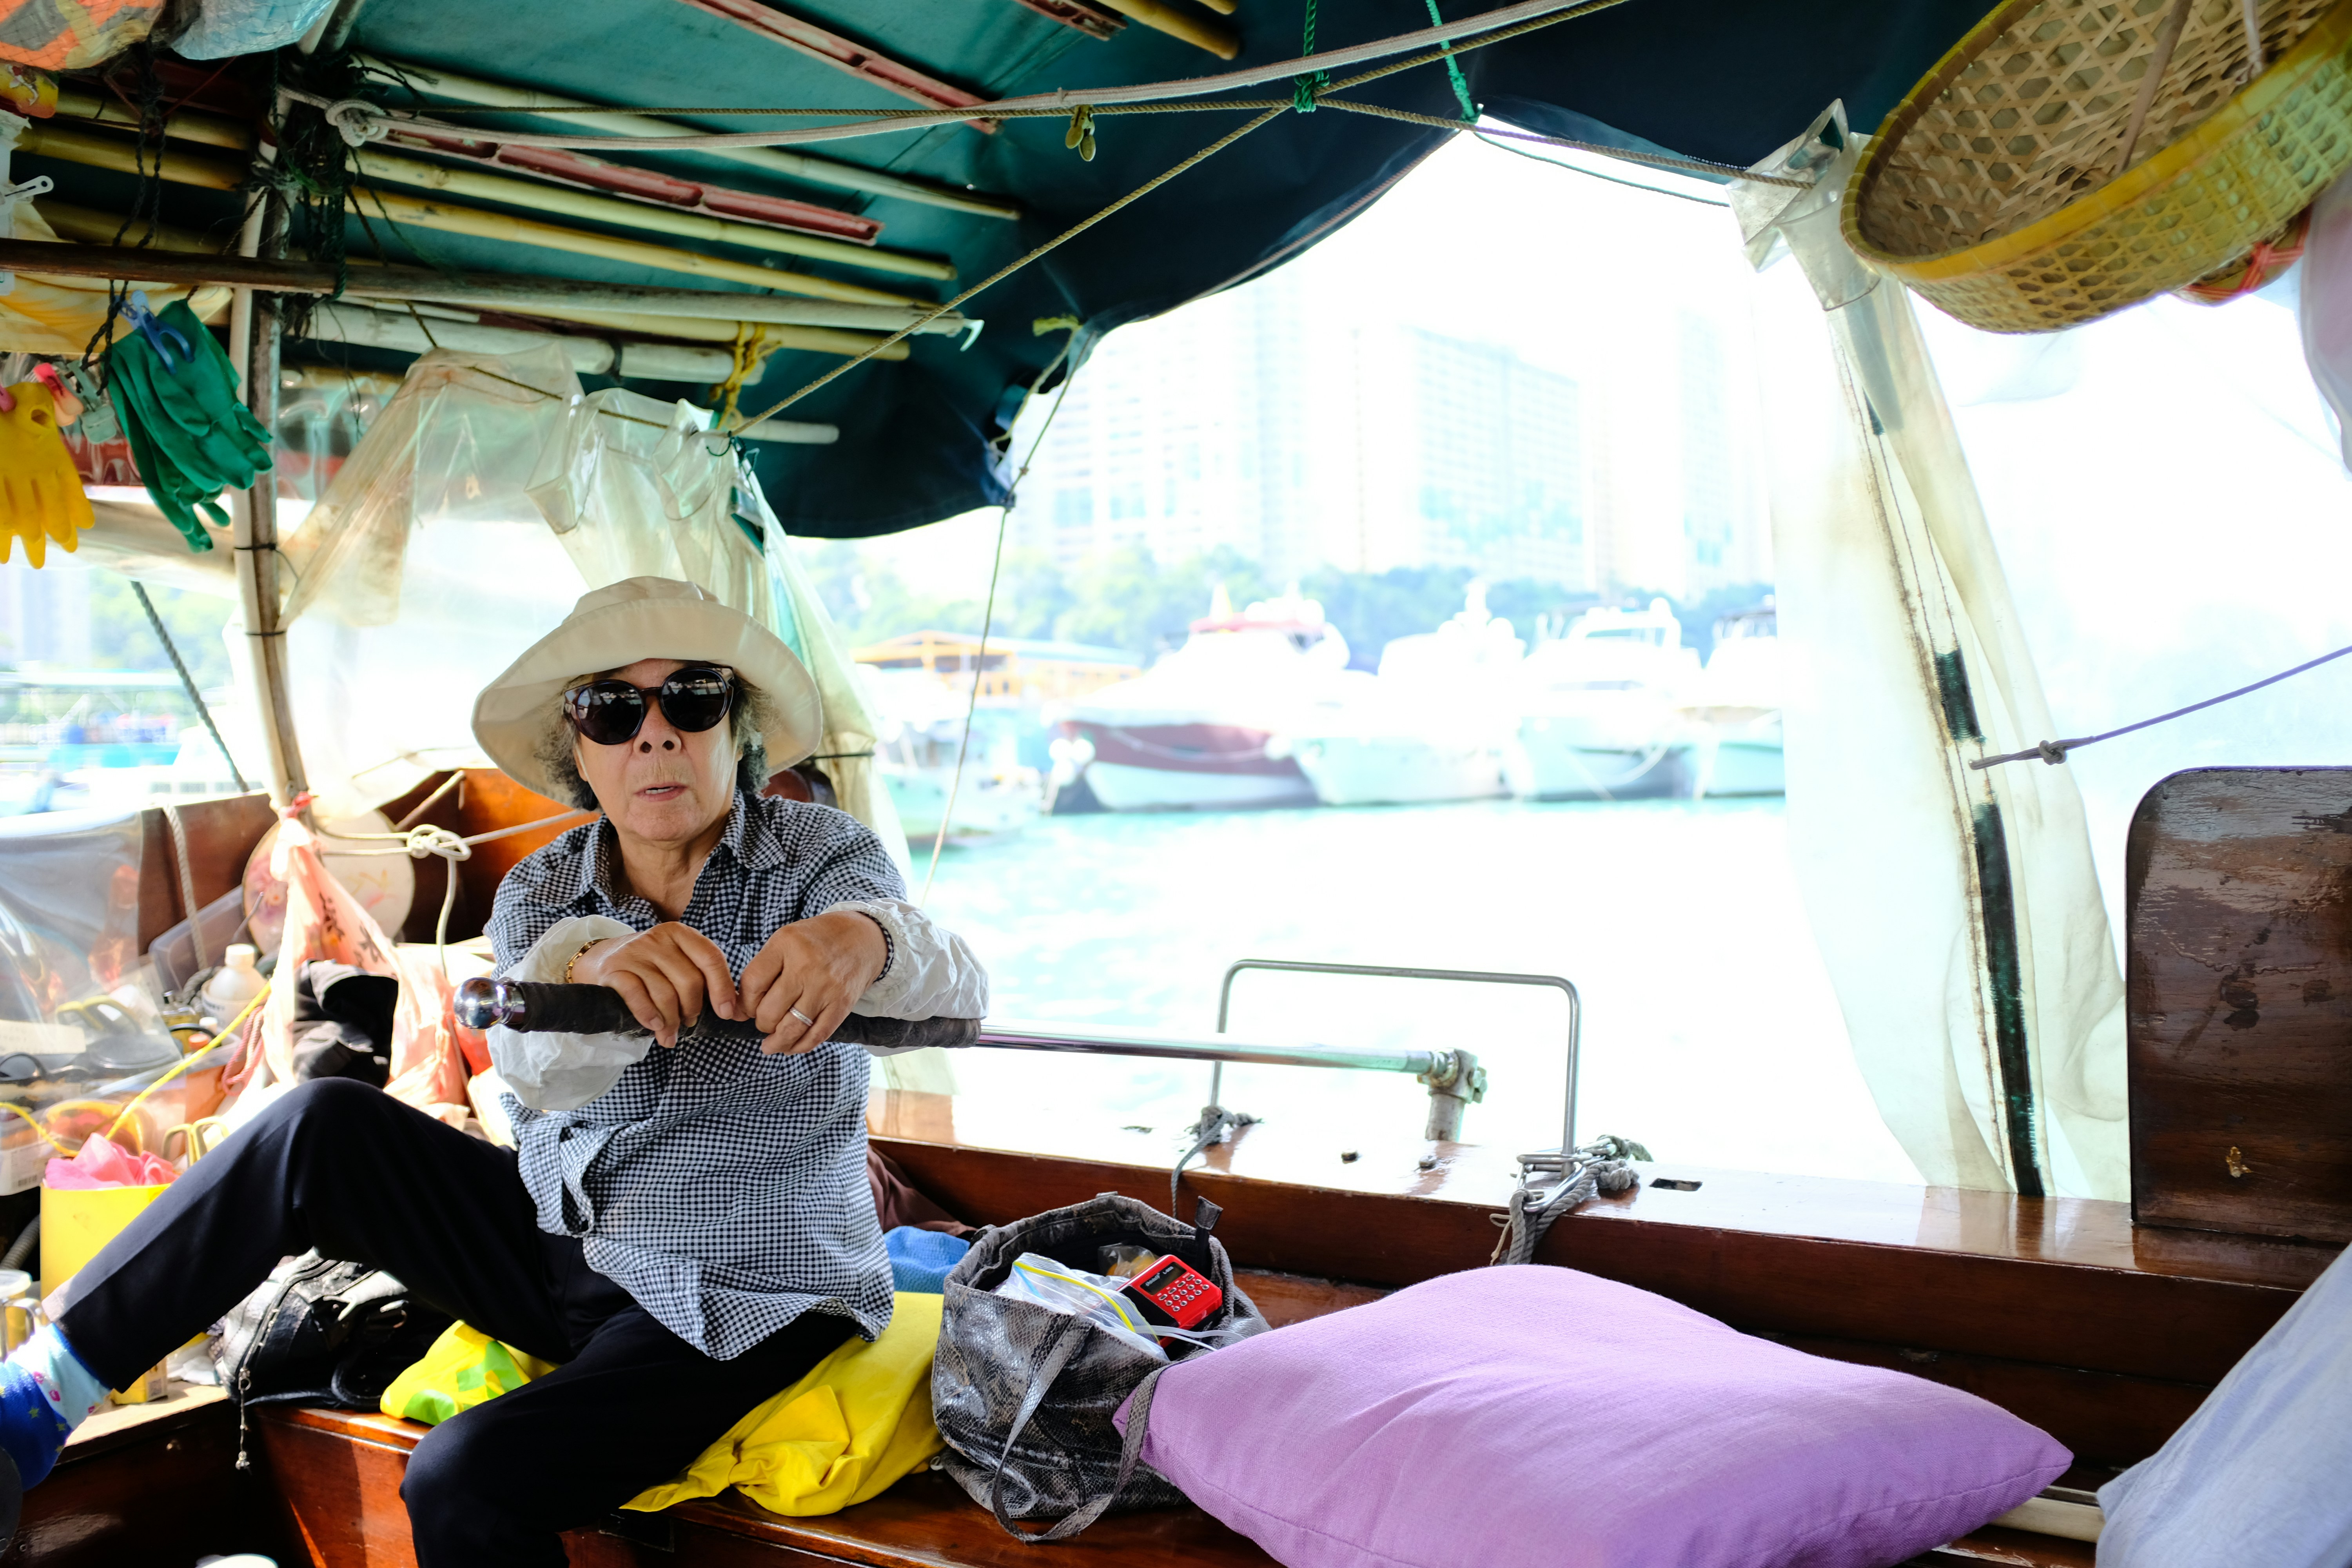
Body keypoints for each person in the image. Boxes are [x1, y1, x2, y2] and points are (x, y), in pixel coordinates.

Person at [0, 577, 987, 1563]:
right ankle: (43, 1393)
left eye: (691, 699)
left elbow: (957, 986)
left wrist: (864, 941)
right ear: (580, 749)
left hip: (751, 1284)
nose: (654, 734)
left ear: (737, 728)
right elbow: (535, 1070)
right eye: (613, 709)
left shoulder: (822, 858)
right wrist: (590, 964)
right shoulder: (543, 889)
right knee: (319, 1124)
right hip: (566, 1243)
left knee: (460, 1475)